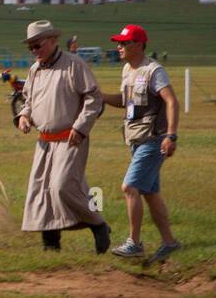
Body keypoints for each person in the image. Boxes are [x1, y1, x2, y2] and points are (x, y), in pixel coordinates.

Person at [16, 20, 111, 253]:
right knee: (41, 192)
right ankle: (51, 243)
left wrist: (81, 128)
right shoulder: (34, 70)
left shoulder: (73, 64)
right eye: (30, 48)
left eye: (37, 45)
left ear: (52, 40)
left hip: (71, 137)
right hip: (44, 142)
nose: (34, 51)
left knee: (62, 186)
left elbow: (93, 98)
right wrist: (24, 116)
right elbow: (28, 100)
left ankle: (98, 224)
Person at [100, 24, 181, 262]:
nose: (119, 47)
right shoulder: (127, 69)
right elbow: (125, 102)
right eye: (119, 42)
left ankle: (134, 243)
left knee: (129, 187)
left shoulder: (154, 71)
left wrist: (171, 135)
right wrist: (99, 95)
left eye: (124, 43)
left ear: (138, 44)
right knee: (150, 193)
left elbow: (172, 101)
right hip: (135, 140)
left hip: (153, 139)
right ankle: (170, 243)